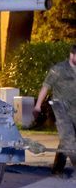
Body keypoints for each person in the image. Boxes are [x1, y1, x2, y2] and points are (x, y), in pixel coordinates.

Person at [33, 45, 76, 175]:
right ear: (72, 54)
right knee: (69, 138)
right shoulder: (58, 70)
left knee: (65, 140)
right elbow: (46, 87)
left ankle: (57, 169)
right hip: (61, 108)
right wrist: (37, 106)